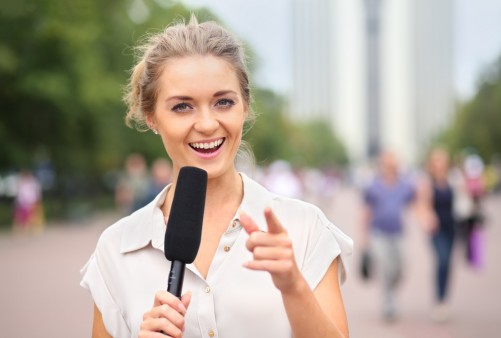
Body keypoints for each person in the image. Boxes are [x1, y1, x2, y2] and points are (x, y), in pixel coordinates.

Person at [80, 15, 353, 338]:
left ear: (245, 107)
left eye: (223, 102)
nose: (207, 124)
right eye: (183, 107)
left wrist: (293, 286)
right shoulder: (117, 248)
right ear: (152, 117)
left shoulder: (304, 227)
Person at [359, 150, 417, 322]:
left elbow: (416, 204)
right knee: (386, 268)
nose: (390, 165)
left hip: (398, 233)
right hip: (378, 233)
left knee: (401, 268)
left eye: (393, 162)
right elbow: (366, 211)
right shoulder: (373, 186)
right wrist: (364, 237)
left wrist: (426, 217)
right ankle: (388, 301)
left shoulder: (404, 185)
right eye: (387, 162)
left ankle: (392, 292)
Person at [417, 147, 459, 322]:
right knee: (441, 260)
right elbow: (421, 205)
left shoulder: (453, 180)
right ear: (431, 164)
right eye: (436, 161)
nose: (439, 164)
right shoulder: (427, 183)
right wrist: (427, 218)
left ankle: (444, 299)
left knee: (448, 263)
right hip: (436, 229)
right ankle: (438, 300)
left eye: (442, 160)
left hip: (452, 227)